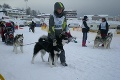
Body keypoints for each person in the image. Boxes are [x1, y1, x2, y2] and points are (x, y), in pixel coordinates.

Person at [48, 2, 68, 66]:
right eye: (59, 9)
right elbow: (51, 28)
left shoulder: (64, 16)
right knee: (53, 48)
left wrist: (64, 32)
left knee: (61, 48)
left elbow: (64, 25)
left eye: (61, 9)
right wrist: (53, 38)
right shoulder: (52, 17)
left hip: (60, 35)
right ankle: (51, 59)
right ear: (56, 9)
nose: (60, 10)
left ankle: (63, 61)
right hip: (52, 34)